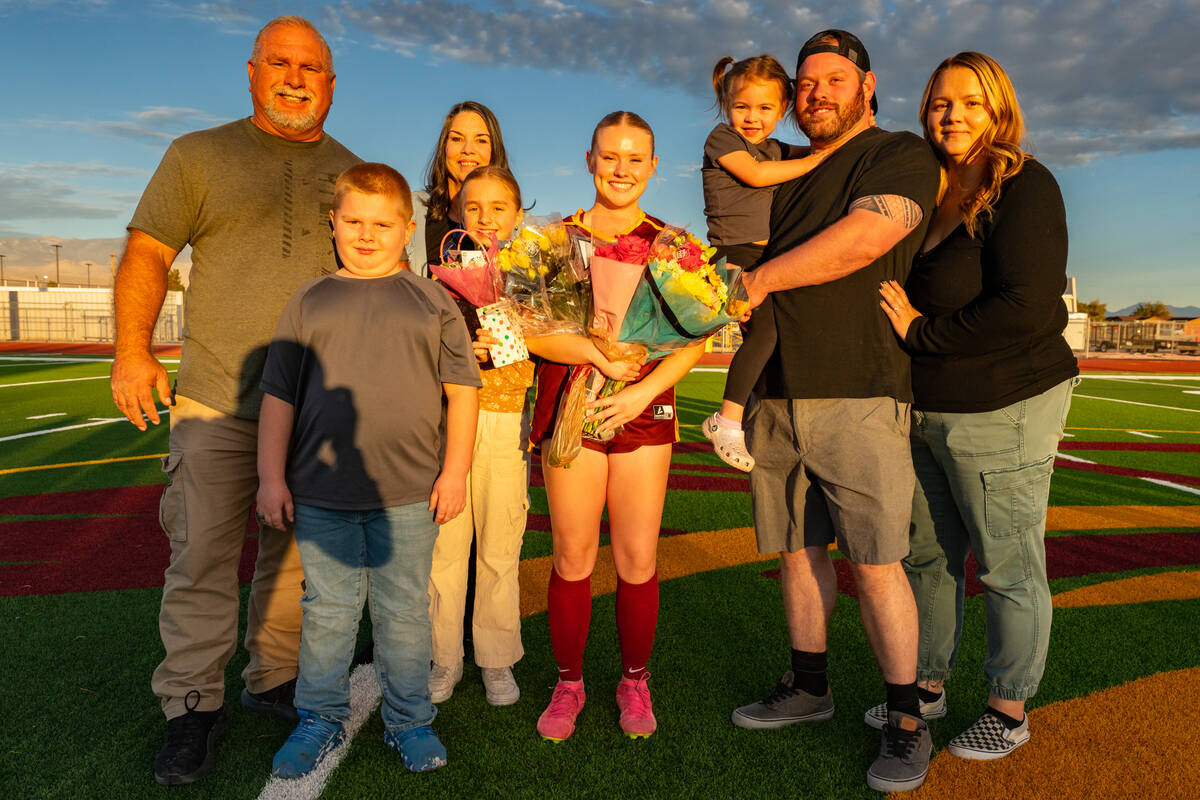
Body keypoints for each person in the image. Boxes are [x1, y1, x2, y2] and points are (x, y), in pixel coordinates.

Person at [109, 16, 360, 786]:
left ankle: (272, 676)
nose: (294, 78)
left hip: (314, 410)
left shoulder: (353, 173)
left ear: (331, 84)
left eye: (310, 68)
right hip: (218, 397)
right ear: (251, 71)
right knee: (204, 558)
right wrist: (132, 348)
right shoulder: (199, 155)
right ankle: (191, 707)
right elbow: (150, 248)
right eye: (280, 63)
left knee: (292, 560)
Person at [727, 30, 939, 794]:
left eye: (835, 79)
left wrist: (758, 283)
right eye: (807, 82)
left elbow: (866, 237)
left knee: (876, 562)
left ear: (868, 84)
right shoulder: (784, 164)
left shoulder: (899, 152)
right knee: (796, 550)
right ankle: (810, 686)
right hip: (776, 387)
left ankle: (906, 718)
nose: (817, 93)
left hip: (858, 386)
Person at [872, 52, 1078, 761]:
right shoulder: (930, 191)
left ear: (998, 110)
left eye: (968, 102)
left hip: (1005, 404)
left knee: (1006, 565)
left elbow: (1024, 307)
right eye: (938, 104)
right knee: (929, 558)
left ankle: (1008, 706)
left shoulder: (1021, 185)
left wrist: (919, 332)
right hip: (928, 408)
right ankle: (927, 685)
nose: (951, 115)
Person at [258, 162, 480, 777]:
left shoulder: (432, 300)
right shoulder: (308, 299)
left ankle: (409, 720)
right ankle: (319, 718)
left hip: (408, 493)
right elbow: (279, 395)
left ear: (407, 228)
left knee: (405, 610)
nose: (365, 234)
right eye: (353, 221)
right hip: (321, 492)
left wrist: (455, 472)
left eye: (381, 224)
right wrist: (271, 478)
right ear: (332, 223)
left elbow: (462, 390)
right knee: (327, 610)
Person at [530, 111, 706, 742]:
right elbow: (530, 328)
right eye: (610, 157)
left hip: (642, 413)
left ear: (654, 166)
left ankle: (635, 679)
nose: (622, 169)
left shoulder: (674, 245)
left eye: (636, 158)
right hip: (570, 407)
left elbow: (696, 334)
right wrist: (597, 355)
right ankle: (569, 680)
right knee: (573, 556)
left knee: (636, 557)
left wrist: (643, 393)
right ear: (589, 160)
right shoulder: (552, 240)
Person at [427, 166, 534, 707]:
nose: (486, 217)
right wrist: (464, 350)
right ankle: (444, 657)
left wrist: (517, 338)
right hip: (450, 425)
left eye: (499, 208)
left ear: (518, 215)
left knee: (499, 550)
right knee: (445, 549)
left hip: (507, 423)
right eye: (474, 207)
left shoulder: (536, 274)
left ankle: (496, 658)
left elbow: (553, 340)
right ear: (456, 214)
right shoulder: (439, 278)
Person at [697, 54, 829, 472]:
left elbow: (821, 149)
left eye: (765, 108)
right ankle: (727, 420)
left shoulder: (776, 149)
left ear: (783, 108)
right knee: (766, 332)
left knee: (778, 333)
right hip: (734, 253)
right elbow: (755, 175)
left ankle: (758, 413)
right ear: (726, 104)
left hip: (767, 255)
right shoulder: (721, 139)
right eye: (742, 106)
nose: (752, 117)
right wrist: (812, 162)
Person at [408, 101, 510, 276]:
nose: (468, 149)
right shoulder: (409, 209)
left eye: (481, 140)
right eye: (456, 138)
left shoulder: (521, 226)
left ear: (495, 150)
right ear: (444, 147)